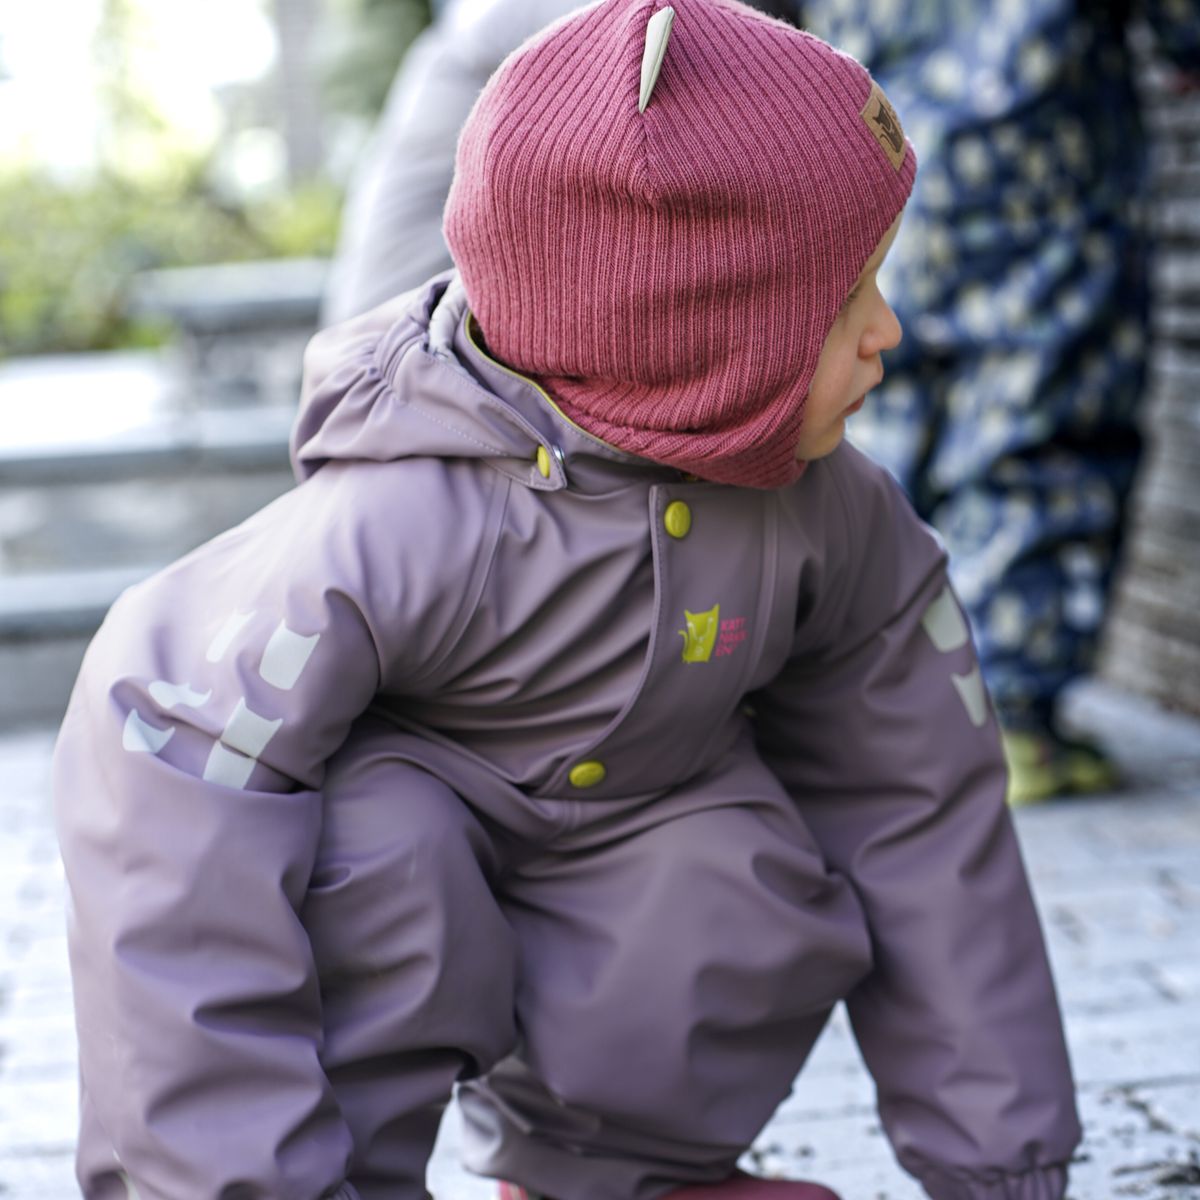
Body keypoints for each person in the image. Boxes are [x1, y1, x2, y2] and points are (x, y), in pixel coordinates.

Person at [53, 3, 1080, 1199]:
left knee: (722, 869)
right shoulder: (403, 523)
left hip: (627, 826)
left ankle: (617, 1175)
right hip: (412, 846)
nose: (886, 332)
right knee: (373, 861)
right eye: (846, 294)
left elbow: (921, 805)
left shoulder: (835, 516)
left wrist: (1003, 1167)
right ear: (694, 332)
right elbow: (165, 755)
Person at [322, 0, 1200, 807]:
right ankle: (999, 703)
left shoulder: (511, 54)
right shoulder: (593, 55)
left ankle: (882, 689)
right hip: (1032, 175)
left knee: (879, 404)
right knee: (1038, 434)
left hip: (889, 180)